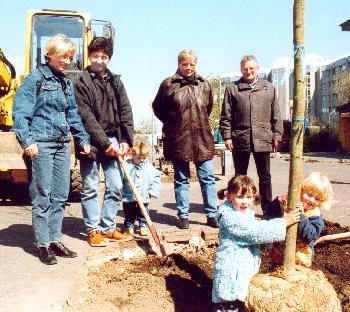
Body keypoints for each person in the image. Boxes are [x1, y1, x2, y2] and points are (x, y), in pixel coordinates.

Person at [12, 34, 91, 265]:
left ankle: (55, 239)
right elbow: (20, 113)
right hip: (42, 144)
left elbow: (73, 114)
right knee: (42, 195)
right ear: (50, 54)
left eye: (70, 57)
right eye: (63, 56)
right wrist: (27, 142)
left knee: (60, 196)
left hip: (62, 143)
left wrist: (82, 138)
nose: (67, 61)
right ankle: (43, 245)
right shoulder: (35, 79)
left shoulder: (66, 82)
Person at [74, 37, 134, 247]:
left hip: (113, 138)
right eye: (96, 56)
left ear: (109, 58)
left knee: (116, 185)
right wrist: (104, 143)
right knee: (90, 186)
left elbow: (126, 110)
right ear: (90, 56)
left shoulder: (115, 81)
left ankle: (108, 227)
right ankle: (93, 229)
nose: (99, 60)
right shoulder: (80, 82)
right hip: (89, 141)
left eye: (104, 57)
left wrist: (126, 139)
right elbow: (85, 116)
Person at [212, 175, 300, 312]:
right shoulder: (230, 219)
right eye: (240, 197)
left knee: (239, 303)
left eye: (249, 197)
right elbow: (255, 232)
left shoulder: (245, 214)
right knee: (228, 305)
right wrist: (284, 223)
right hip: (231, 274)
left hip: (241, 271)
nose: (245, 202)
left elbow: (257, 232)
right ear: (229, 196)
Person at [152, 49, 217, 229]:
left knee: (208, 178)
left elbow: (208, 108)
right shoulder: (168, 84)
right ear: (179, 64)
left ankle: (212, 215)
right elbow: (158, 108)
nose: (189, 68)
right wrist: (175, 122)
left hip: (202, 139)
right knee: (181, 179)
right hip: (179, 139)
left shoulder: (204, 84)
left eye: (192, 64)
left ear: (196, 64)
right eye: (185, 64)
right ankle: (183, 215)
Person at [219, 55, 283, 216]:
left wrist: (277, 135)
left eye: (251, 68)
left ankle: (267, 209)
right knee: (240, 176)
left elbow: (276, 114)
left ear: (257, 69)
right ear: (241, 70)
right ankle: (237, 207)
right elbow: (225, 116)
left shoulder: (269, 88)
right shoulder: (232, 88)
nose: (248, 71)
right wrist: (227, 136)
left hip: (263, 138)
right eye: (245, 69)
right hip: (240, 138)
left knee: (265, 176)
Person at [267, 172, 333, 268]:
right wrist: (282, 220)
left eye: (317, 199)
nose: (312, 200)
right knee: (276, 271)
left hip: (300, 256)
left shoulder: (315, 215)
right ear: (300, 190)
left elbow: (309, 236)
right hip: (279, 250)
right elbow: (268, 216)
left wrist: (301, 216)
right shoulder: (283, 202)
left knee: (296, 276)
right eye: (309, 195)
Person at [122, 141, 161, 236]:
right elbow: (119, 177)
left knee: (143, 212)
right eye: (139, 158)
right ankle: (129, 227)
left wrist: (153, 191)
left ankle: (143, 226)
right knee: (129, 212)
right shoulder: (126, 165)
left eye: (144, 158)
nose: (142, 160)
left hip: (144, 194)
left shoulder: (149, 167)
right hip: (129, 195)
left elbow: (157, 177)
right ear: (132, 155)